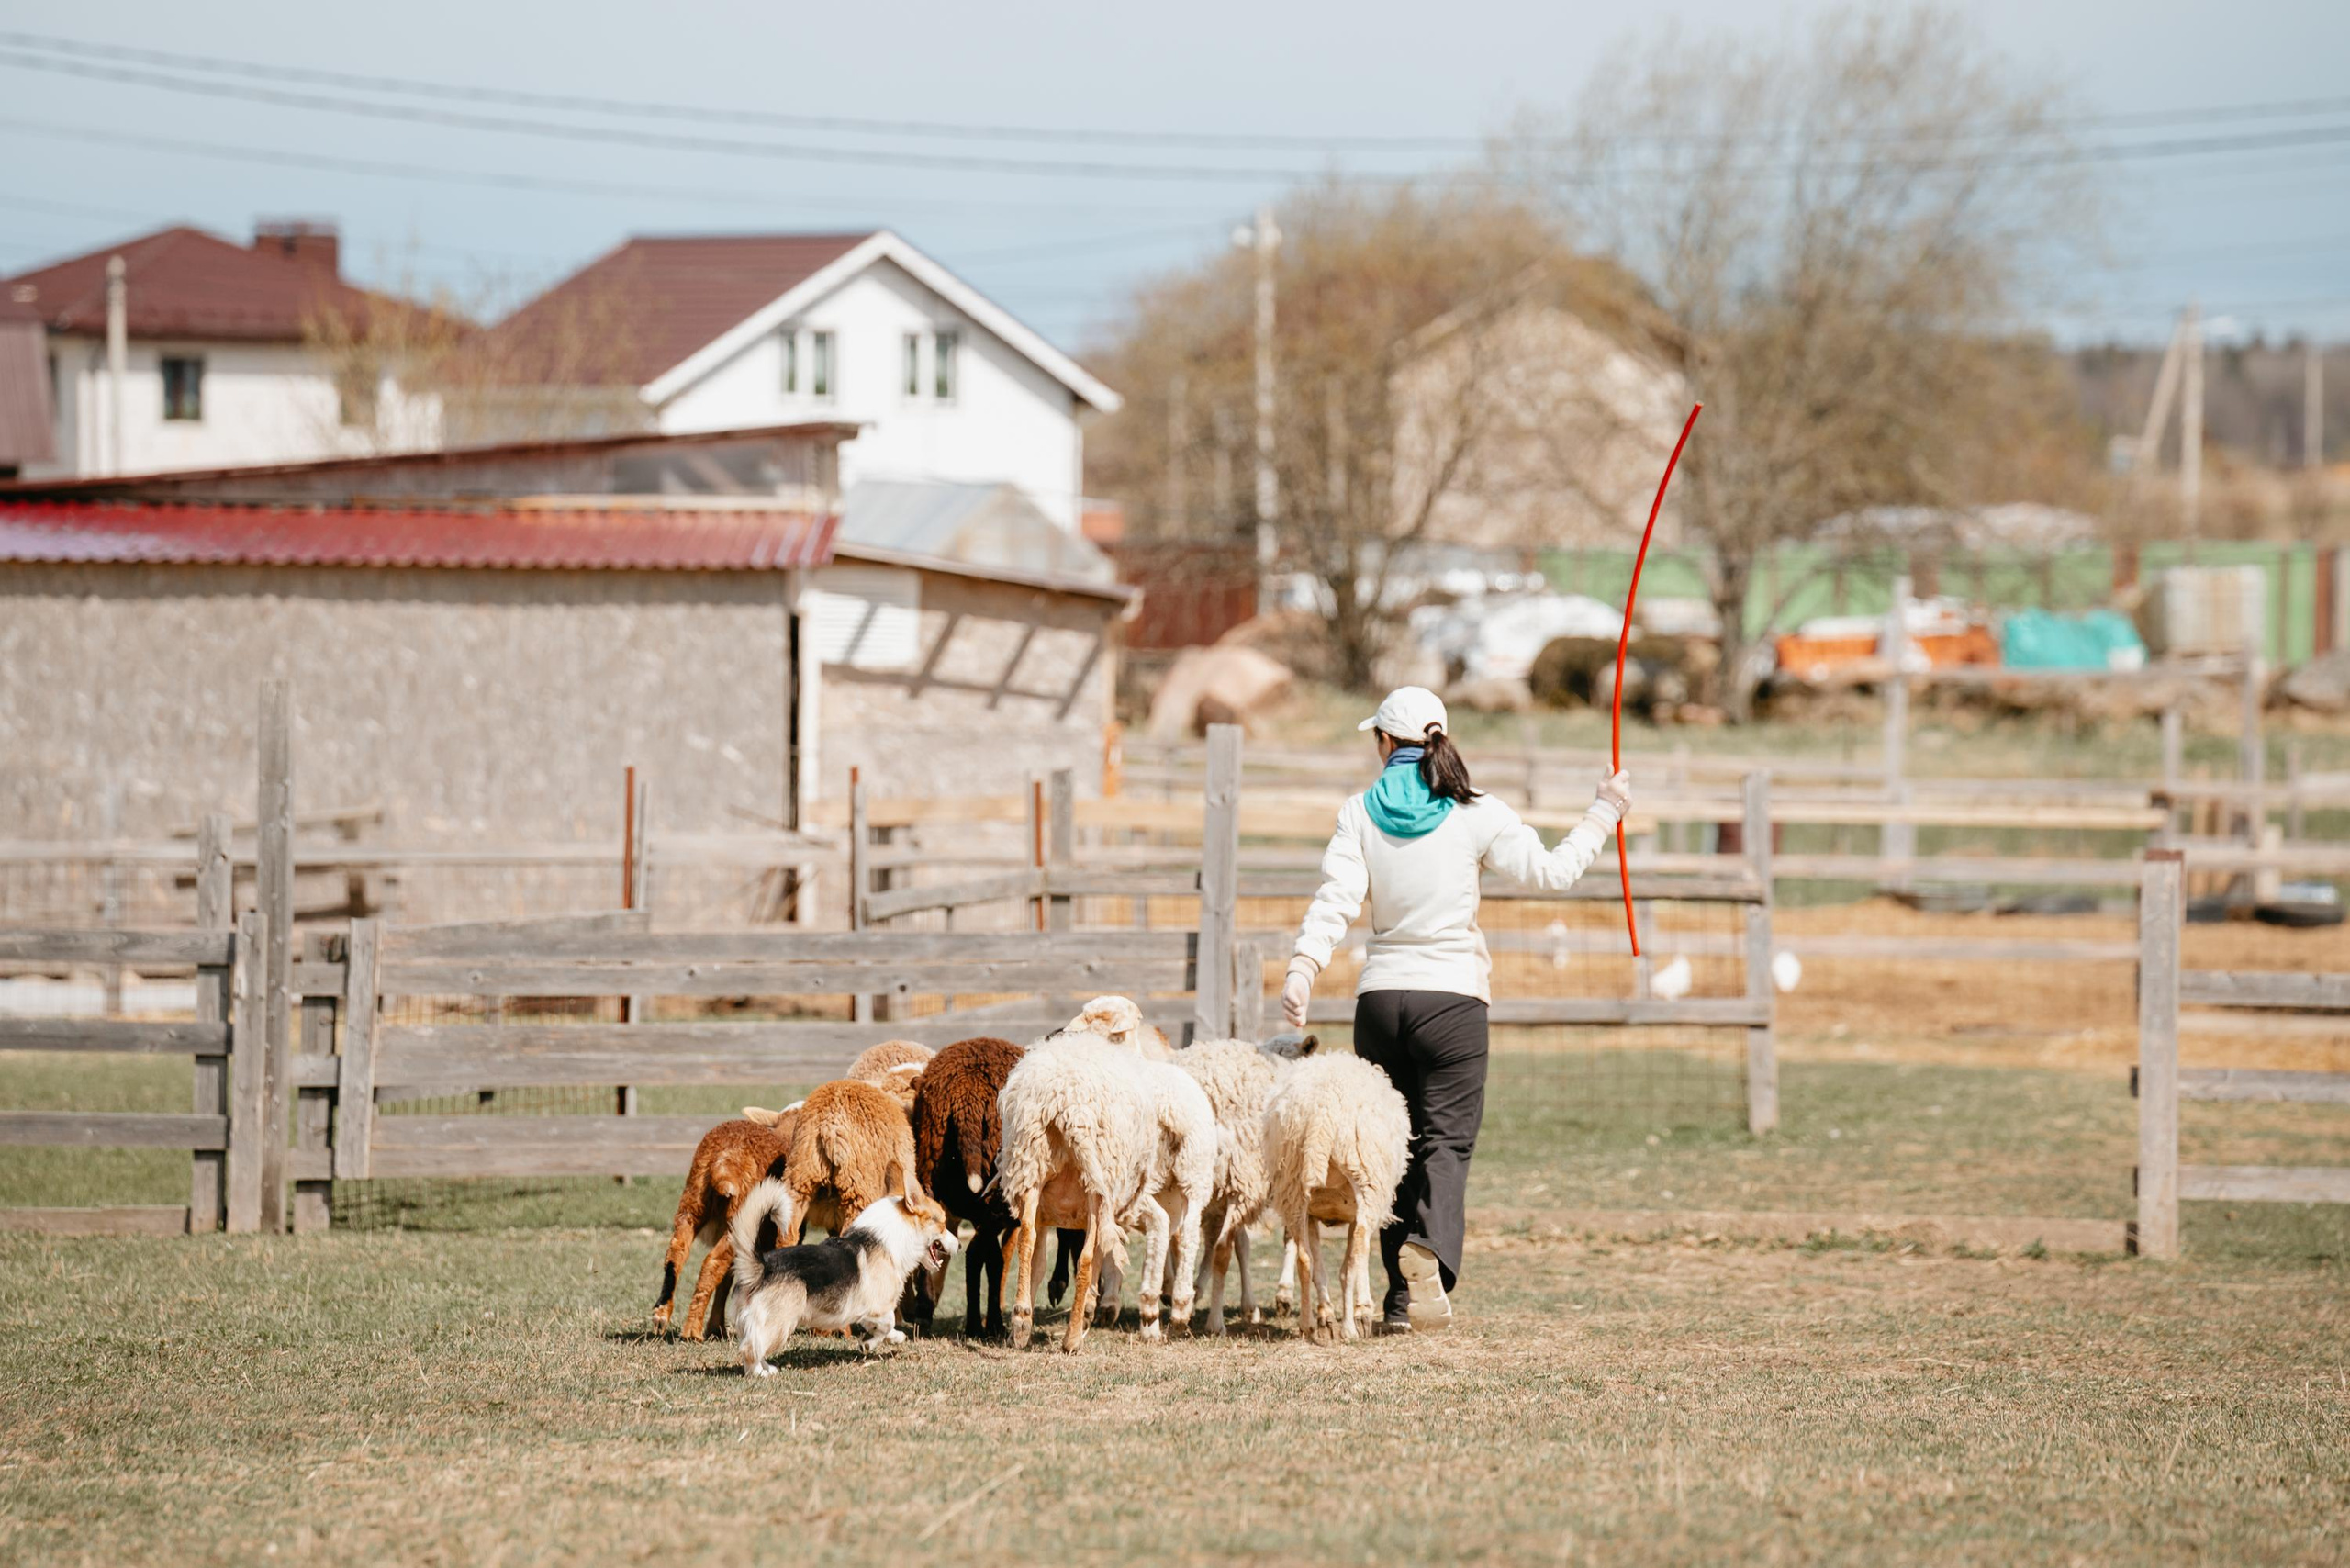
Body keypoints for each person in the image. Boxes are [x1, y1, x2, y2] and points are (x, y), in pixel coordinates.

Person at [1281, 687, 1629, 1334]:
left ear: (1385, 743)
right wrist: (1604, 811)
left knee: (1391, 1150)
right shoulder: (1476, 812)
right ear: (1439, 738)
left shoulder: (1358, 812)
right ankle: (1430, 1256)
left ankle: (1397, 1303)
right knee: (1447, 1142)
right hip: (1453, 1001)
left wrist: (1304, 966)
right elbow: (1552, 873)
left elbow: (1337, 897)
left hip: (1381, 1002)